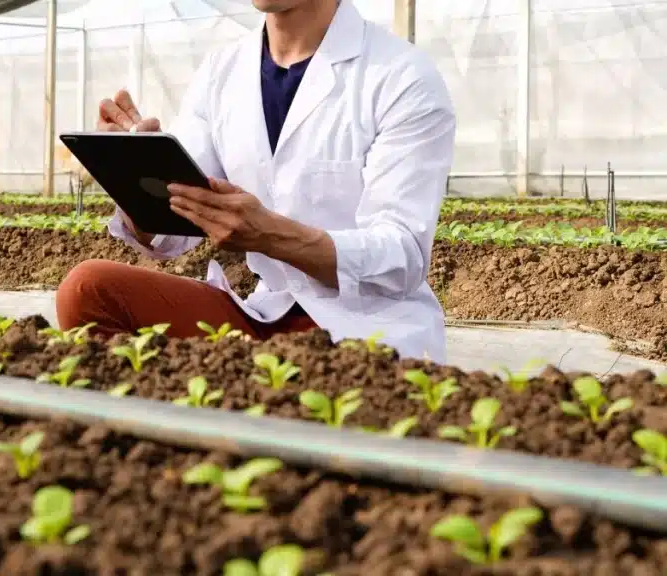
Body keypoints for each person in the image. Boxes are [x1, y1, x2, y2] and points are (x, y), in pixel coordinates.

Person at [56, 0, 455, 362]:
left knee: (306, 390)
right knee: (88, 289)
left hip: (367, 327)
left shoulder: (402, 76)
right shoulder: (223, 72)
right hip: (265, 315)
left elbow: (404, 256)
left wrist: (272, 235)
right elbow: (172, 235)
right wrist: (136, 177)